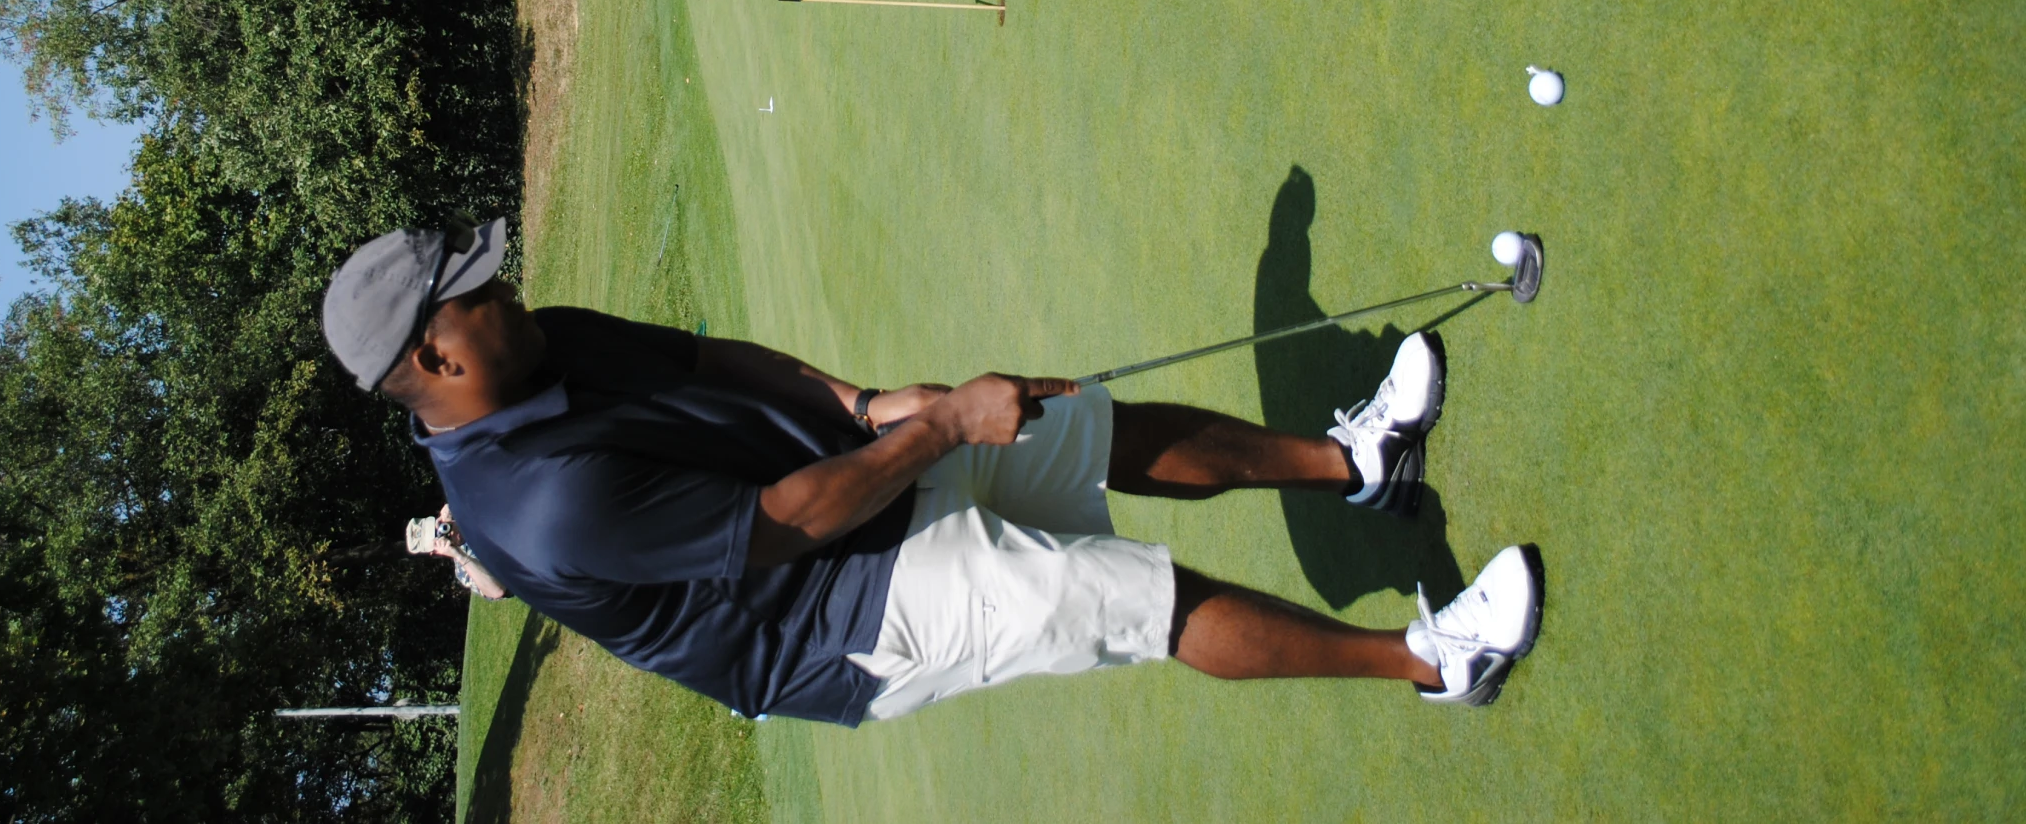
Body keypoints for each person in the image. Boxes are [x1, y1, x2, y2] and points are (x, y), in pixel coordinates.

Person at [320, 221, 1545, 727]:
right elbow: (780, 528)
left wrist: (859, 402)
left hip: (837, 476)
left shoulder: (546, 339)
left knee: (1082, 424)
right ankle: (1436, 659)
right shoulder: (536, 501)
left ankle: (1354, 462)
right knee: (1125, 598)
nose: (503, 284)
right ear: (435, 351)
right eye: (474, 288)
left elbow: (712, 360)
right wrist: (945, 423)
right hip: (825, 619)